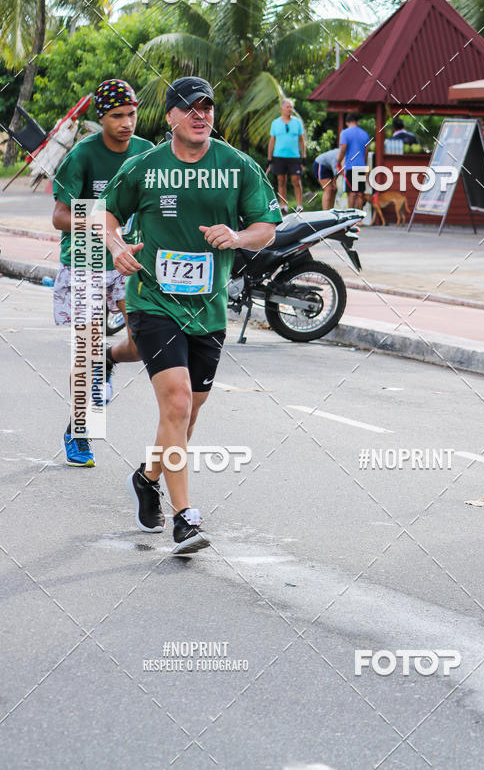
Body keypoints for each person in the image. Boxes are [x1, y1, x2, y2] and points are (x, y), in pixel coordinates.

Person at [101, 76, 282, 555]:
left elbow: (267, 226)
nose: (201, 115)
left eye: (208, 107)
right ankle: (186, 519)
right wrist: (117, 247)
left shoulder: (237, 167)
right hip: (153, 300)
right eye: (190, 108)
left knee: (188, 415)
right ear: (171, 117)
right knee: (177, 402)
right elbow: (106, 215)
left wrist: (239, 238)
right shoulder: (145, 167)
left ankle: (147, 476)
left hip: (209, 309)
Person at [52, 79, 152, 468]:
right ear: (101, 118)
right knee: (85, 351)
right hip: (86, 263)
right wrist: (103, 226)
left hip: (131, 263)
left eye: (131, 114)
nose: (127, 123)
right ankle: (79, 432)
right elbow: (59, 215)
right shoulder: (82, 156)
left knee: (144, 344)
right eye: (117, 116)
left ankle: (108, 360)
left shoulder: (148, 153)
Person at [267, 98, 306, 213]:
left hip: (294, 156)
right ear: (282, 108)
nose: (290, 109)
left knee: (296, 180)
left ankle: (299, 205)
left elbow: (301, 141)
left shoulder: (297, 122)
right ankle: (283, 206)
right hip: (279, 156)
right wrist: (269, 158)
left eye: (291, 107)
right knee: (281, 181)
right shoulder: (275, 123)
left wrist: (303, 156)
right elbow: (272, 141)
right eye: (287, 107)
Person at [338, 113, 370, 209]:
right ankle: (359, 219)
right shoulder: (365, 134)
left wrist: (339, 160)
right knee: (360, 193)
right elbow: (366, 152)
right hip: (361, 166)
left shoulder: (345, 133)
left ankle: (351, 217)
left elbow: (343, 149)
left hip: (350, 166)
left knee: (351, 192)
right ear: (357, 122)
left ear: (347, 122)